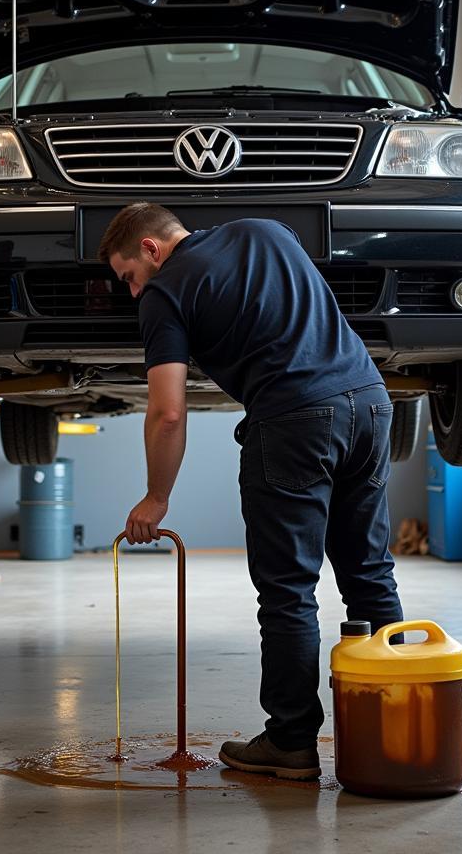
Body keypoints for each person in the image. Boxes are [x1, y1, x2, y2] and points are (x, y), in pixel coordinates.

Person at [98, 202, 403, 781]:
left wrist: (155, 498)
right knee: (370, 574)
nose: (135, 294)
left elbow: (166, 412)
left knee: (288, 591)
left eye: (129, 279)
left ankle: (290, 743)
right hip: (369, 401)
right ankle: (397, 728)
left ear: (150, 250)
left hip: (294, 422)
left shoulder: (166, 294)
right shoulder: (267, 230)